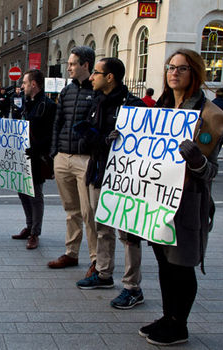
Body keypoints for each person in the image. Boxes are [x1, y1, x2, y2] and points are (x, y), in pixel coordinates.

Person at [138, 49, 223, 346]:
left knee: (181, 264)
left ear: (195, 73)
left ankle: (180, 325)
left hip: (188, 201)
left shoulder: (211, 116)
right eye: (170, 67)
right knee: (164, 261)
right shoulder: (161, 110)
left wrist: (197, 161)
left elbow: (211, 171)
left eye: (182, 68)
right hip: (158, 198)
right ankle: (168, 316)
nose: (174, 72)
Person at [72, 57, 147, 310]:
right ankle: (104, 274)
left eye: (96, 72)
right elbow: (84, 142)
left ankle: (132, 287)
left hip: (124, 178)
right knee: (102, 226)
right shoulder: (95, 104)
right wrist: (98, 139)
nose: (91, 77)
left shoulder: (133, 106)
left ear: (110, 77)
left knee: (128, 232)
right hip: (98, 173)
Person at [48, 46, 97, 274]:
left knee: (89, 213)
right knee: (71, 210)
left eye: (72, 64)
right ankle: (71, 253)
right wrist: (54, 153)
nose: (68, 67)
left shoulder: (97, 91)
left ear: (85, 65)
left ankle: (96, 259)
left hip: (85, 159)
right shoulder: (67, 92)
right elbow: (58, 123)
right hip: (63, 157)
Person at [10, 70, 56, 249]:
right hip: (23, 154)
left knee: (35, 194)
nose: (22, 86)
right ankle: (29, 226)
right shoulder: (27, 103)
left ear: (34, 84)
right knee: (22, 191)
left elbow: (50, 133)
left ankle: (35, 232)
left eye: (24, 82)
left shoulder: (47, 105)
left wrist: (37, 148)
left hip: (37, 156)